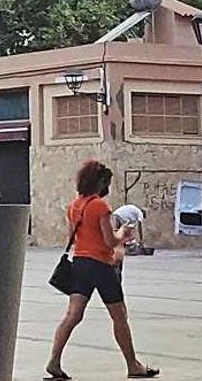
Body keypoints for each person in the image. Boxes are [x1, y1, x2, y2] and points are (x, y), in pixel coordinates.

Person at [47, 160, 159, 380]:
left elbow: (74, 236)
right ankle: (133, 365)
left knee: (72, 315)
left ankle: (54, 360)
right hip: (101, 265)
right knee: (119, 316)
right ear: (99, 183)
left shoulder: (74, 206)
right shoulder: (100, 206)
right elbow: (109, 241)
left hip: (80, 264)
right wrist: (123, 234)